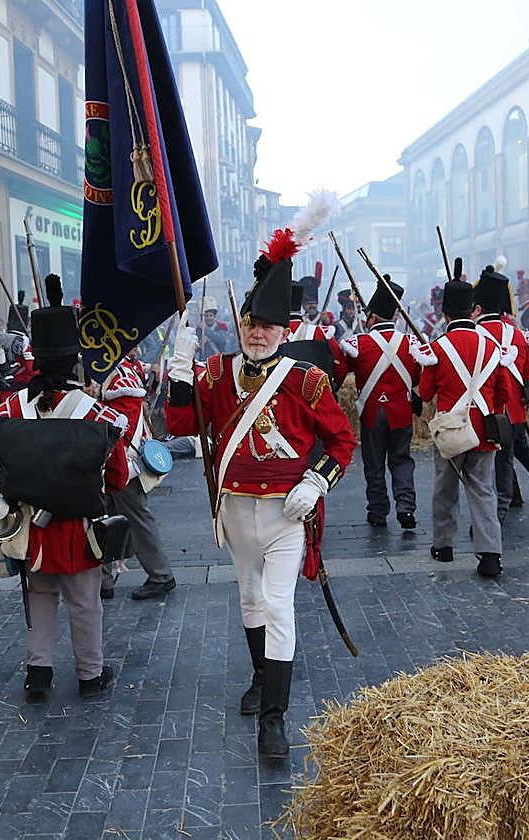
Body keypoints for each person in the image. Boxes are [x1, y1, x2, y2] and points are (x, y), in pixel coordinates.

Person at [165, 237, 356, 758]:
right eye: (251, 323)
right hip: (234, 510)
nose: (257, 333)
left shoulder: (307, 381)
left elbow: (342, 442)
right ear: (241, 322)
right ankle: (259, 677)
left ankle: (274, 718)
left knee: (277, 605)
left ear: (284, 331)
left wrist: (315, 482)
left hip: (286, 514)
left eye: (268, 326)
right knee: (250, 599)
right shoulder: (218, 373)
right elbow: (181, 423)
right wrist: (180, 369)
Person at [0, 303, 125, 702]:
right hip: (77, 528)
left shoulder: (10, 409)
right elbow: (117, 477)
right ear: (74, 361)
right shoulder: (98, 414)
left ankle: (38, 672)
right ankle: (90, 674)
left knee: (39, 596)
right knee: (84, 602)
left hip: (29, 526)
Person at [417, 280, 510, 577]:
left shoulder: (437, 348)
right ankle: (491, 554)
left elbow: (425, 393)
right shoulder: (492, 347)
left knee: (445, 489)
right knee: (483, 491)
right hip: (484, 430)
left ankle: (444, 547)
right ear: (472, 311)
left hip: (450, 430)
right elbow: (504, 394)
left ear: (444, 314)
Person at [473, 268, 529, 519]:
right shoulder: (517, 334)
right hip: (515, 409)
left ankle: (502, 507)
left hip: (491, 408)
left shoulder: (476, 334)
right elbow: (527, 374)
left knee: (502, 459)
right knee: (515, 451)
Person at [339, 275, 421, 530]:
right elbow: (418, 377)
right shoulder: (410, 343)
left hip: (372, 413)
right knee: (402, 461)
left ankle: (377, 511)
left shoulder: (358, 344)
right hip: (401, 412)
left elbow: (344, 369)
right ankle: (405, 507)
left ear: (372, 317)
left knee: (374, 464)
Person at [100, 346, 177, 601]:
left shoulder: (117, 377)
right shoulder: (118, 370)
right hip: (109, 462)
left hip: (120, 463)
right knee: (102, 519)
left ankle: (161, 575)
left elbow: (119, 428)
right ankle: (102, 580)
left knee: (137, 519)